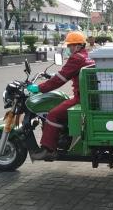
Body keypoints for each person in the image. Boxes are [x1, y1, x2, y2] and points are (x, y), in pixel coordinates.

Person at [27, 31, 94, 160]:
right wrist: (54, 75)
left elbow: (60, 79)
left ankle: (48, 149)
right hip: (89, 95)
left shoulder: (76, 58)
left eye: (70, 46)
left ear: (78, 46)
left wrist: (39, 88)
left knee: (53, 114)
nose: (69, 49)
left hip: (82, 97)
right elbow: (68, 73)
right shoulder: (87, 55)